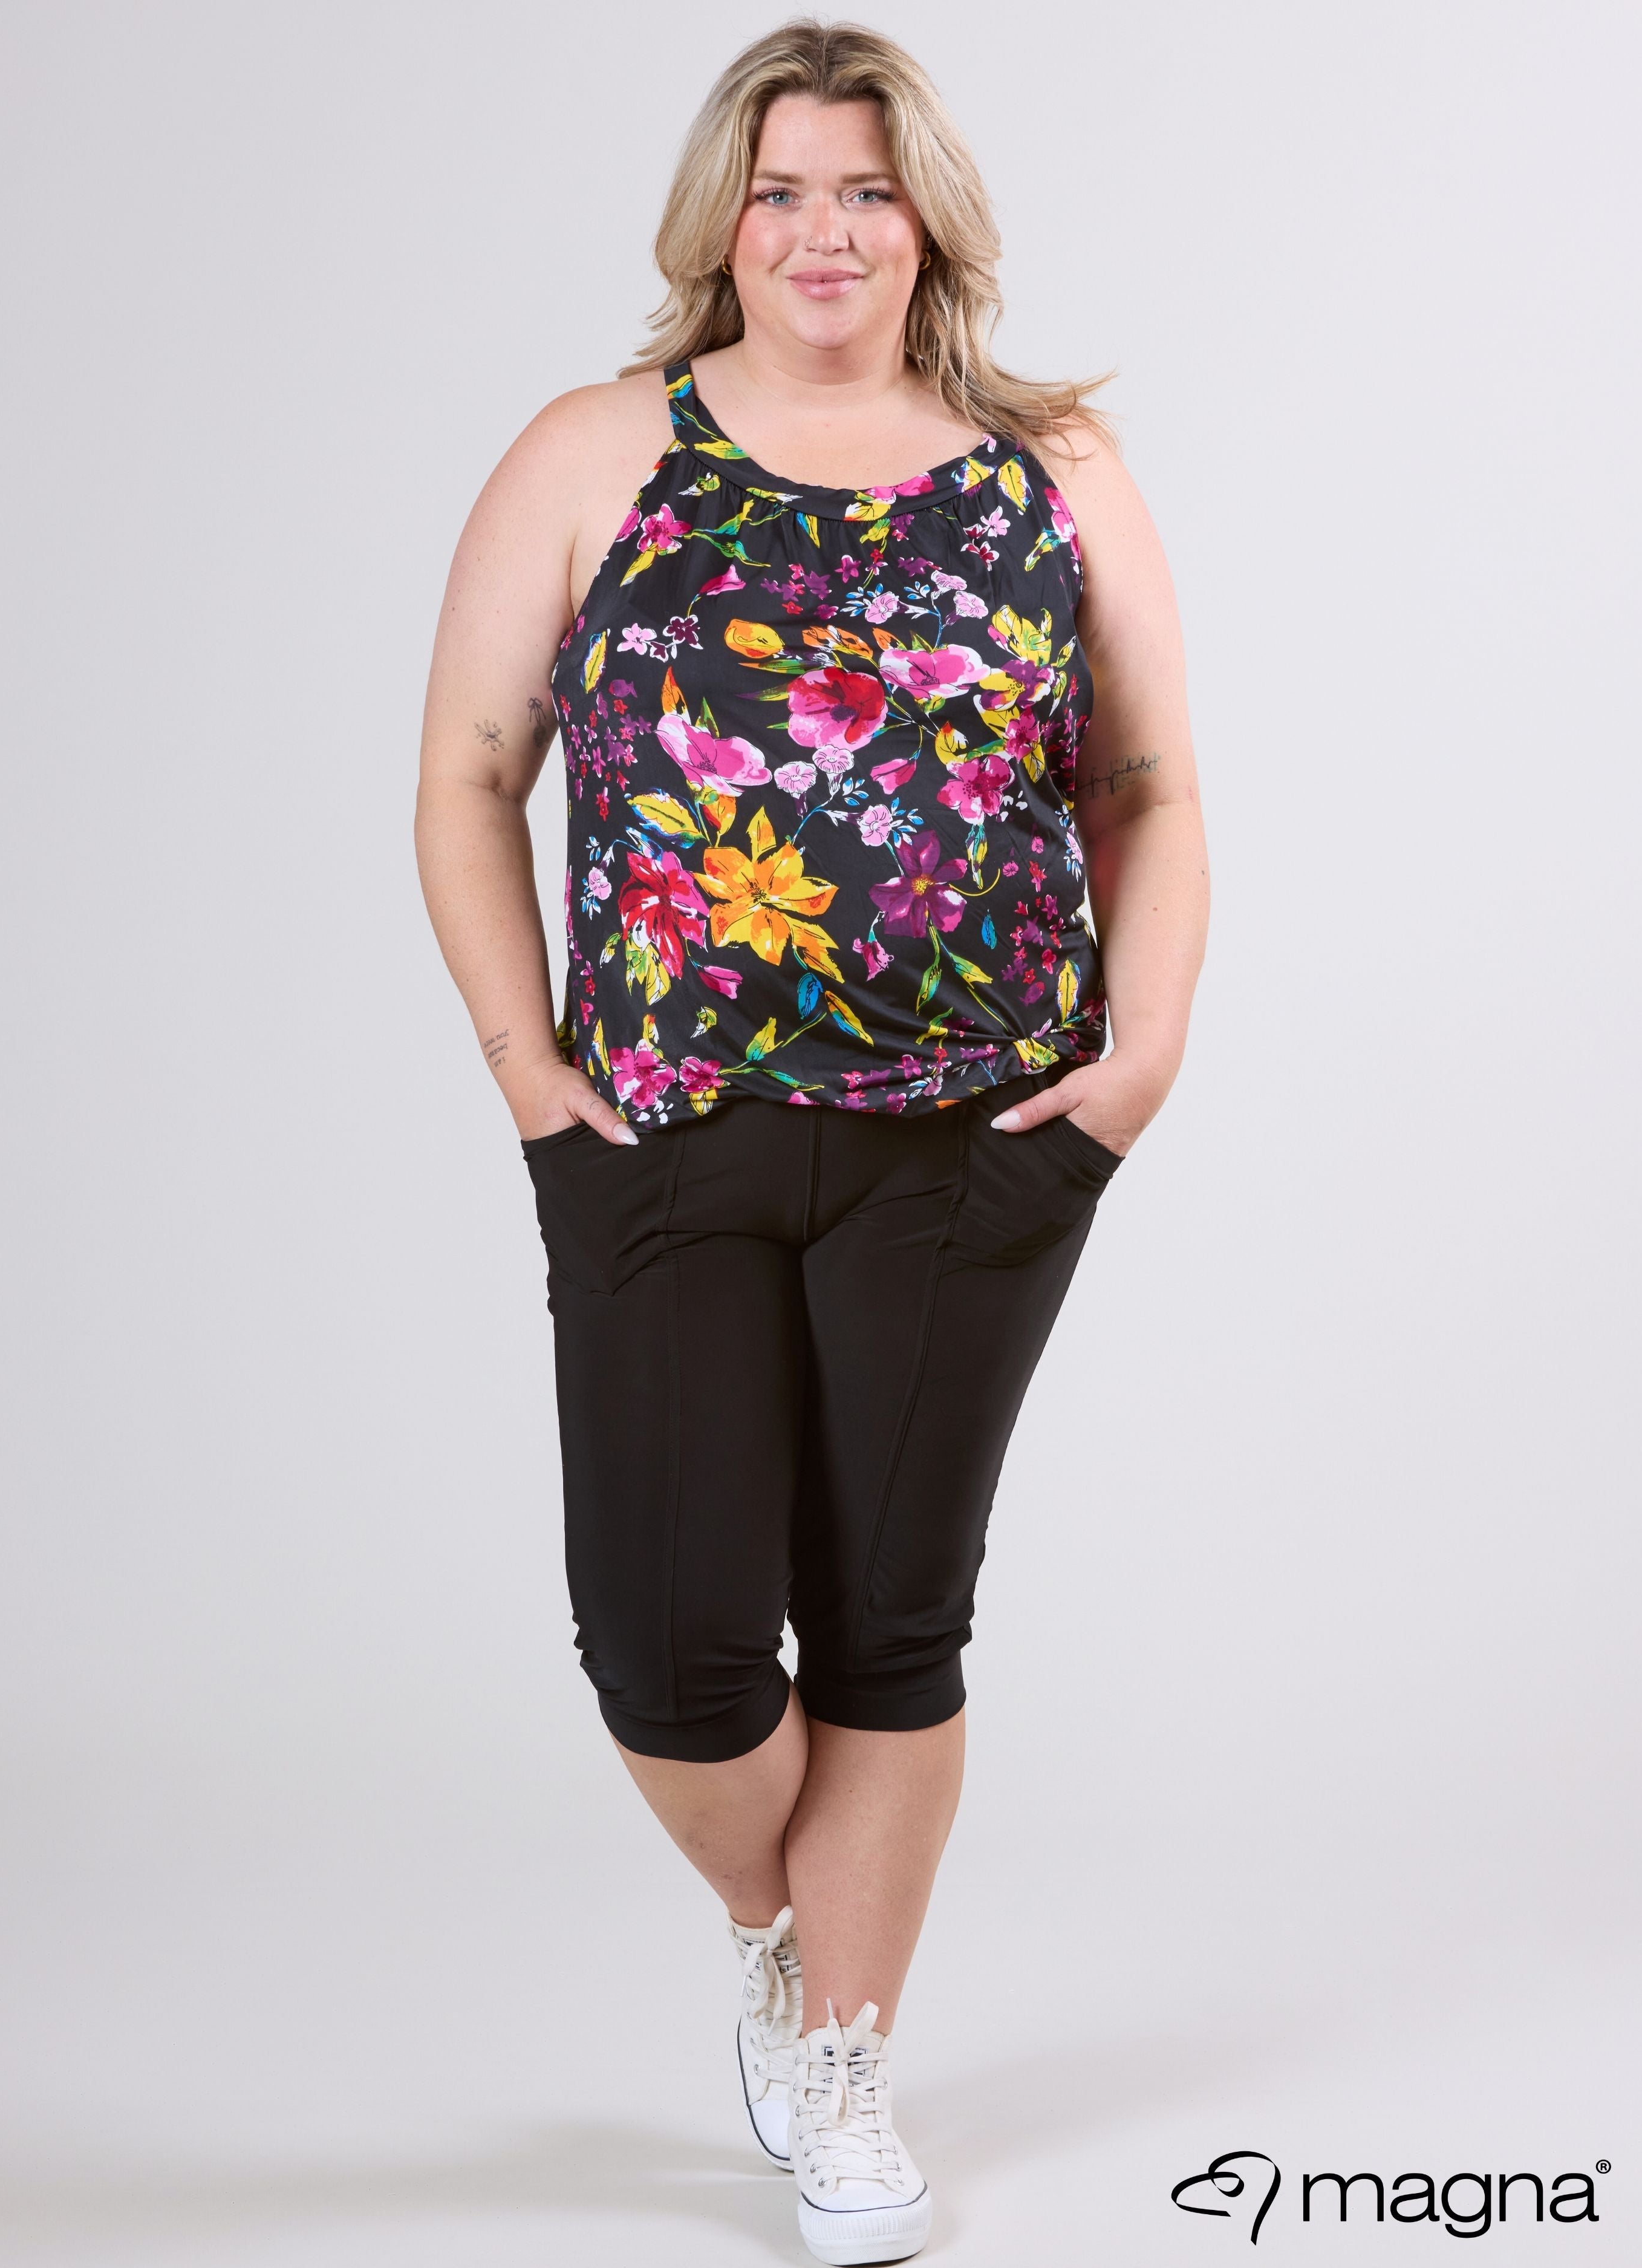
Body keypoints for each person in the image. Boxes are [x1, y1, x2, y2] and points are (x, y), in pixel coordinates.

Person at [414, 19, 1207, 2263]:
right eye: (782, 190)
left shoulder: (1053, 469)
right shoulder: (597, 452)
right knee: (671, 1659)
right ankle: (795, 1939)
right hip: (664, 1128)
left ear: (928, 219)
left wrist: (1142, 1056)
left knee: (889, 1620)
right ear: (724, 222)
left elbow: (1145, 785)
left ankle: (847, 2065)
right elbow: (469, 773)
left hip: (979, 1130)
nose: (825, 230)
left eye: (866, 188)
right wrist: (527, 1069)